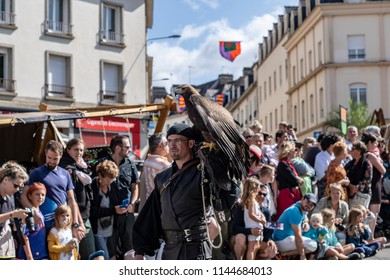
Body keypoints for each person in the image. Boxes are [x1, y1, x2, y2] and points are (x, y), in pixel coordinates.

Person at [133, 123, 216, 260]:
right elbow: (151, 214)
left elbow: (227, 196)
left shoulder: (204, 173)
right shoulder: (162, 178)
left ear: (191, 143)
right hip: (170, 250)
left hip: (196, 250)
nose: (172, 145)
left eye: (178, 140)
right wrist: (140, 250)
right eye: (169, 141)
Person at [21, 140, 86, 242]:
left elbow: (72, 200)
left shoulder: (65, 174)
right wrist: (34, 211)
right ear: (45, 153)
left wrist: (76, 223)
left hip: (64, 222)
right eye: (49, 158)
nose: (51, 161)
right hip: (46, 223)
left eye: (55, 159)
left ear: (61, 155)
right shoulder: (36, 173)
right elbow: (23, 196)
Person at [99, 135, 139, 259]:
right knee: (111, 249)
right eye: (127, 147)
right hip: (109, 213)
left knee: (130, 247)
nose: (129, 149)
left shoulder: (130, 164)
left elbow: (135, 187)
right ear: (117, 148)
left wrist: (132, 203)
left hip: (127, 213)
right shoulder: (104, 164)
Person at [59, 138, 95, 259]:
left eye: (81, 150)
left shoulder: (79, 166)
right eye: (76, 149)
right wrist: (78, 223)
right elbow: (72, 199)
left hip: (83, 215)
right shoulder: (66, 168)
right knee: (88, 254)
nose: (79, 153)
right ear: (68, 149)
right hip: (76, 217)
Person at [229, 183, 277, 260]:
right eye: (260, 193)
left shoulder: (266, 211)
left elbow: (268, 230)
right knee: (241, 238)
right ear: (254, 192)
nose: (262, 196)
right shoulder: (243, 207)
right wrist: (250, 231)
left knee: (271, 249)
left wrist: (269, 239)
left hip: (257, 239)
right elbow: (235, 228)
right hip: (242, 238)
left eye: (264, 195)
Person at [90, 160, 123, 260]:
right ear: (100, 175)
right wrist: (113, 210)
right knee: (105, 256)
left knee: (112, 255)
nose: (109, 183)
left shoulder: (113, 185)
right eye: (107, 179)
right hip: (97, 230)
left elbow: (117, 203)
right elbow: (92, 211)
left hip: (111, 228)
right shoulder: (93, 186)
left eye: (112, 180)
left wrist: (123, 207)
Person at [272, 193, 318, 260]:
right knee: (313, 245)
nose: (309, 205)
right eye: (308, 202)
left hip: (284, 238)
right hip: (281, 241)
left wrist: (305, 222)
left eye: (311, 205)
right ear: (302, 199)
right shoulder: (295, 211)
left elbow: (305, 215)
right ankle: (283, 254)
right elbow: (298, 236)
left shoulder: (300, 206)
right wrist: (302, 256)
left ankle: (284, 254)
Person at [0, 162, 29, 259]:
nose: (17, 190)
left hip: (7, 250)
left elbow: (12, 226)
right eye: (16, 186)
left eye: (20, 187)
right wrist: (14, 214)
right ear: (5, 180)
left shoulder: (11, 197)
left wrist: (21, 221)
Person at [361, 132, 386, 236]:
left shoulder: (363, 154)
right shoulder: (371, 155)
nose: (377, 145)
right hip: (375, 184)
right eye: (375, 142)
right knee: (374, 212)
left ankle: (367, 236)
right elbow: (383, 170)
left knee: (366, 212)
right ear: (370, 143)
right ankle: (370, 237)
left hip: (367, 185)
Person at [139, 132, 171, 212]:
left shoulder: (147, 162)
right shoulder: (164, 165)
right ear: (159, 146)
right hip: (162, 206)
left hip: (150, 204)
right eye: (166, 143)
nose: (169, 145)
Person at [17, 182, 48, 260]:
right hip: (29, 256)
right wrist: (29, 257)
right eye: (37, 194)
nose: (40, 197)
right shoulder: (27, 213)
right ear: (30, 196)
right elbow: (24, 236)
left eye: (43, 195)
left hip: (41, 255)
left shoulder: (40, 212)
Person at [275, 141, 303, 220]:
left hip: (291, 195)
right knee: (287, 219)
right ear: (289, 151)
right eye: (294, 150)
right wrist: (298, 180)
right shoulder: (283, 164)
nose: (296, 152)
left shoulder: (288, 164)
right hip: (287, 195)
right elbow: (294, 180)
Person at [241, 177, 266, 260]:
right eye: (258, 187)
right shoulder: (251, 200)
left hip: (256, 227)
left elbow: (256, 212)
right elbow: (251, 214)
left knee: (255, 248)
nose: (259, 189)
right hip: (253, 227)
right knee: (252, 249)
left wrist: (262, 216)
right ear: (254, 188)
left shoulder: (252, 200)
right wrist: (260, 220)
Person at [344, 141, 373, 209]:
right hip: (350, 194)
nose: (351, 151)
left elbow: (367, 180)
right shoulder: (350, 163)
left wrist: (356, 188)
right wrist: (350, 187)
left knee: (360, 216)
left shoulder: (367, 163)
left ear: (359, 150)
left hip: (362, 194)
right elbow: (344, 174)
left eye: (353, 149)